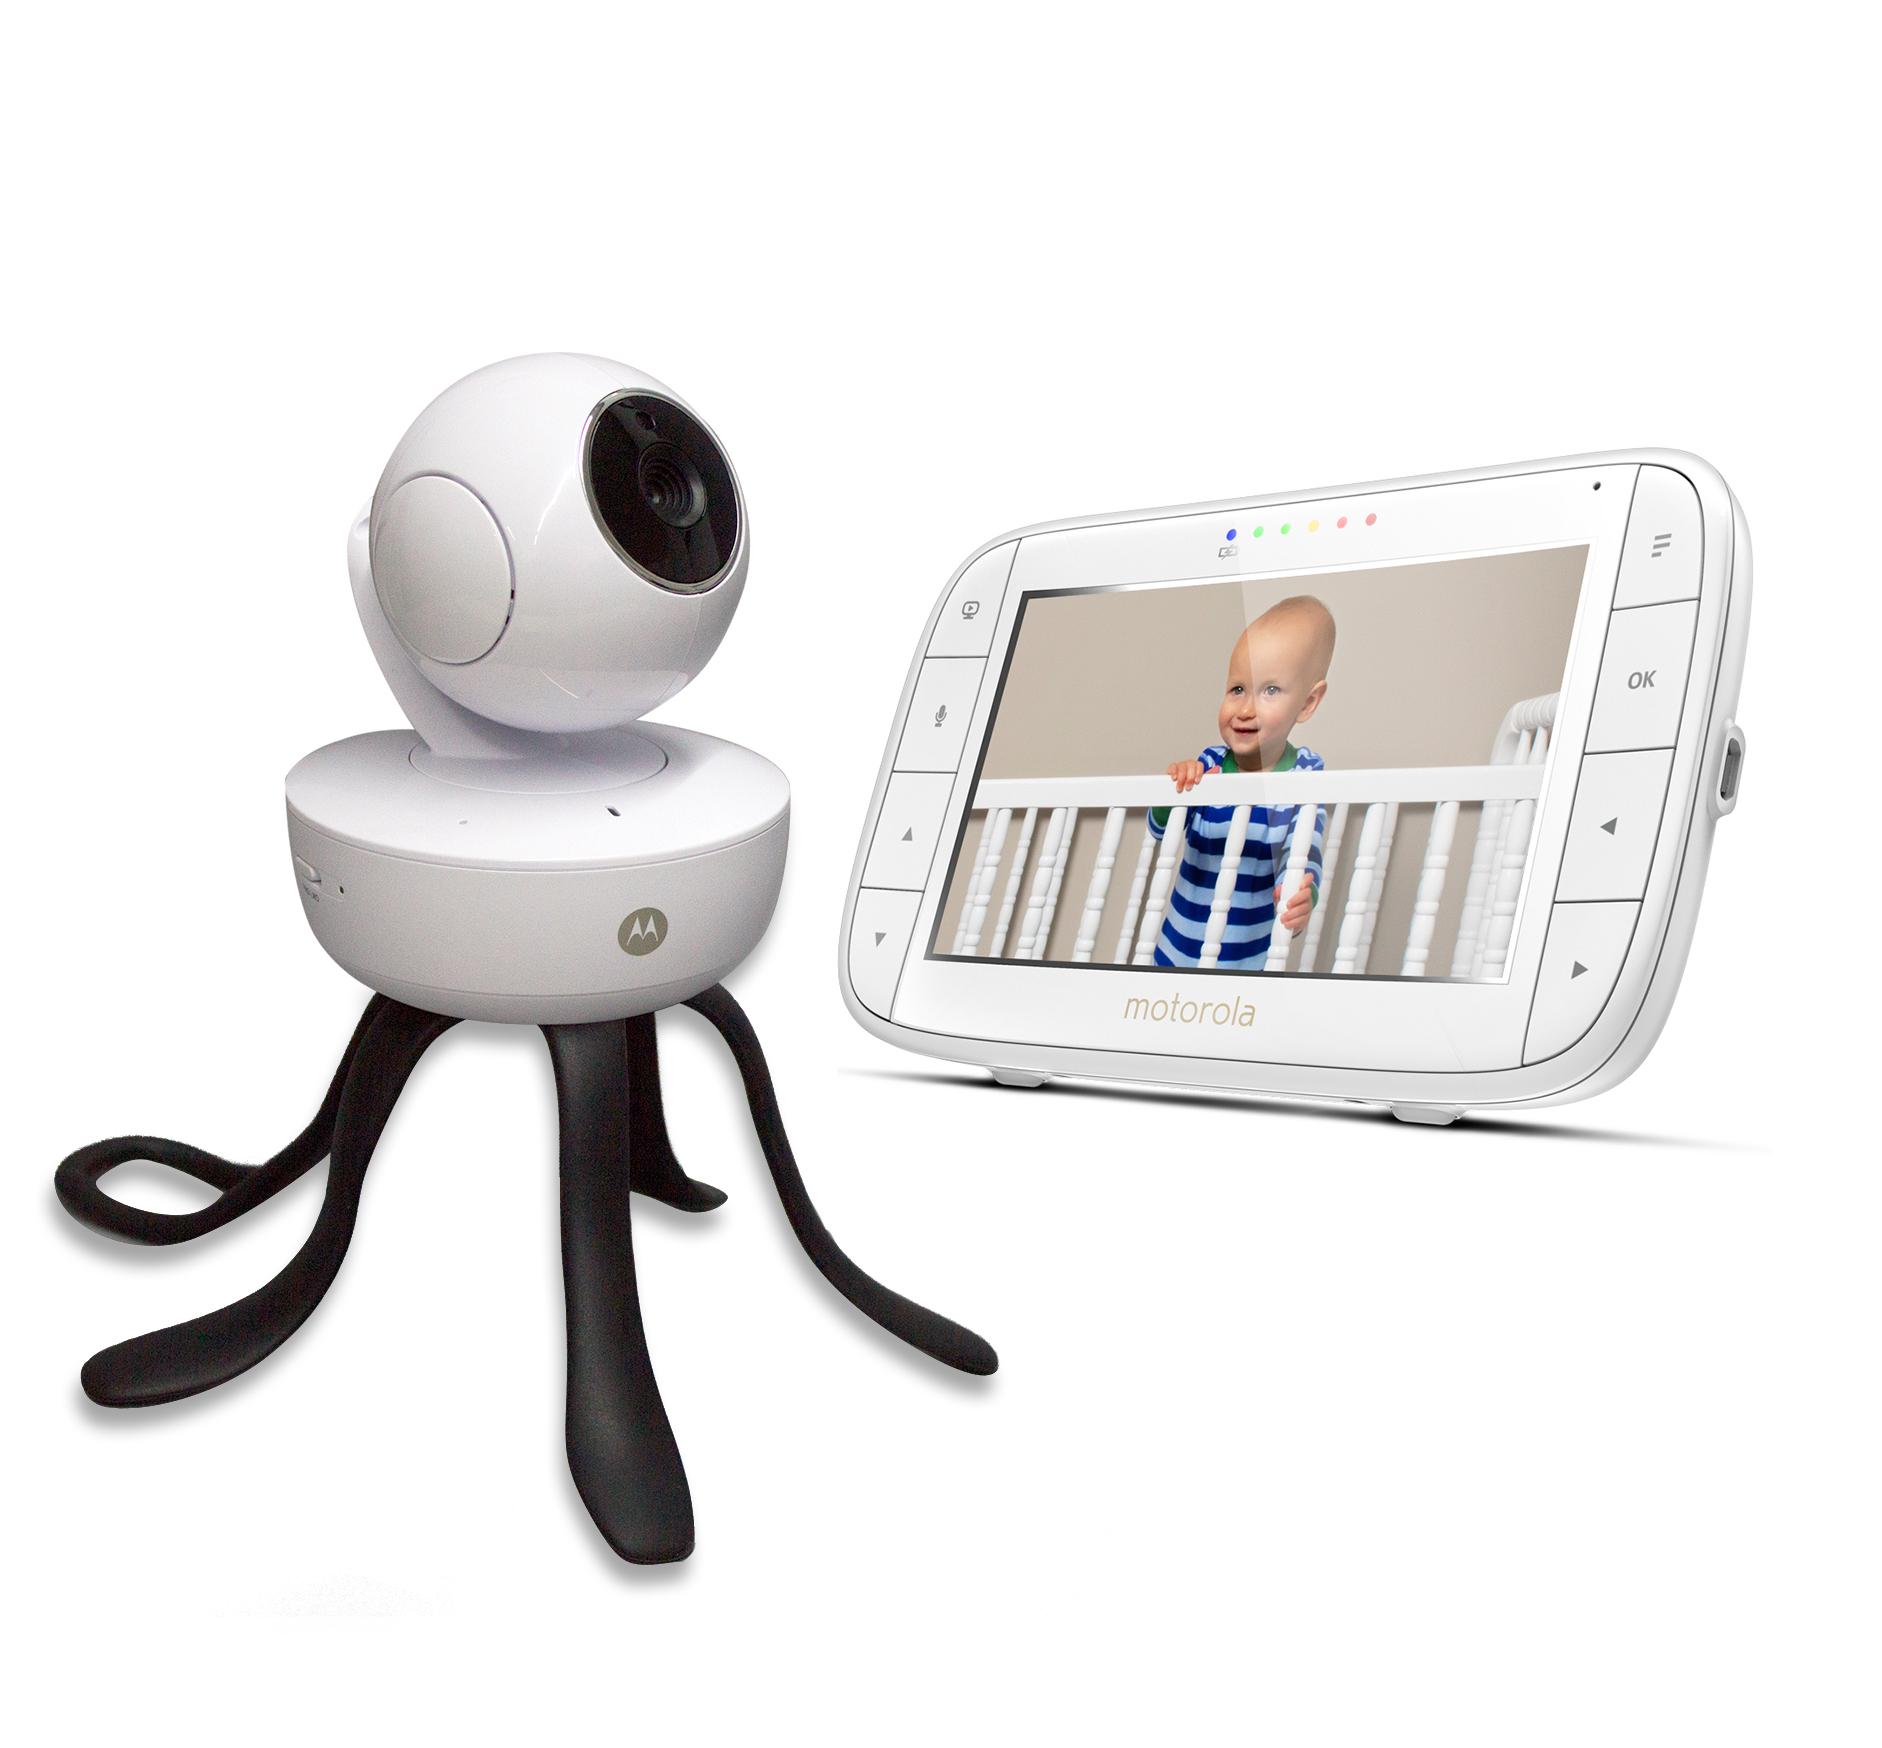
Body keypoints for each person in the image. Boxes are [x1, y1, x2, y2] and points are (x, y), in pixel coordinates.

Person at [1149, 595, 1336, 970]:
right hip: (1174, 951)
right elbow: (1159, 830)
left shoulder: (1305, 777)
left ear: (1307, 703)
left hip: (1246, 964)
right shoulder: (1209, 764)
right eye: (1237, 689)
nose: (1246, 709)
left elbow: (1304, 853)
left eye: (1270, 690)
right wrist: (1178, 789)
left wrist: (1303, 894)